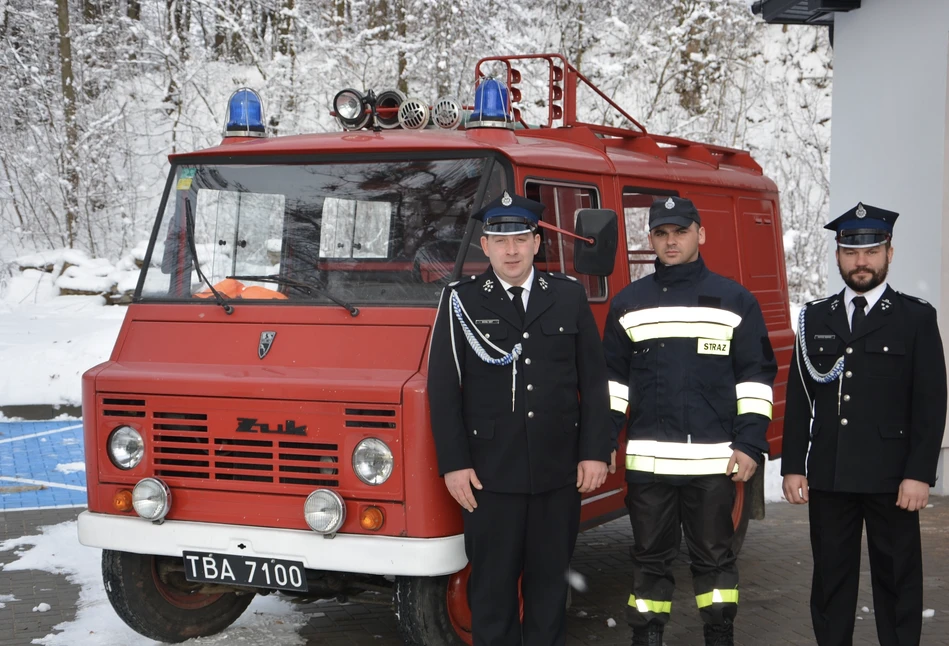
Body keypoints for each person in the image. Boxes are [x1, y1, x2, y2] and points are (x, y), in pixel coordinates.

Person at [427, 191, 612, 645]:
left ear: (536, 242)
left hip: (557, 474)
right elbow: (444, 389)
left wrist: (594, 452)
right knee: (491, 594)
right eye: (499, 239)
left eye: (520, 239)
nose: (511, 250)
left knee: (550, 590)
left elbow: (595, 382)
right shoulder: (460, 302)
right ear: (485, 247)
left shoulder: (567, 297)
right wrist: (453, 463)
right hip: (490, 478)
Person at [602, 196, 777, 646]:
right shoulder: (628, 304)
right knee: (648, 560)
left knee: (715, 561)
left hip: (713, 464)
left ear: (701, 233)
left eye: (680, 231)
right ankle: (648, 636)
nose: (670, 241)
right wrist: (601, 442)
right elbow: (613, 384)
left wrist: (750, 443)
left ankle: (719, 634)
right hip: (650, 466)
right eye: (661, 233)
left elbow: (755, 378)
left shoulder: (735, 300)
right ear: (651, 240)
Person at [782, 203, 947, 646]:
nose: (861, 262)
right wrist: (793, 464)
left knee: (897, 583)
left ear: (889, 253)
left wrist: (918, 473)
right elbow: (799, 397)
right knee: (831, 584)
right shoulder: (814, 317)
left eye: (872, 251)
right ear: (837, 255)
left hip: (892, 478)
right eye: (851, 252)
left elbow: (931, 403)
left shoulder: (914, 317)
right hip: (830, 475)